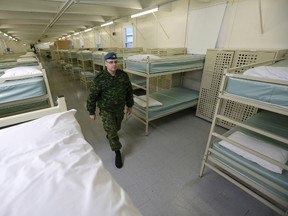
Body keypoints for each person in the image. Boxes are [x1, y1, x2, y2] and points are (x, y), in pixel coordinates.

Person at [86, 52, 134, 168]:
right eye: (111, 62)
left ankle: (111, 134)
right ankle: (117, 152)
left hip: (119, 108)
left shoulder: (123, 76)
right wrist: (91, 111)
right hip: (106, 110)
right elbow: (92, 96)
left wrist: (130, 105)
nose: (114, 64)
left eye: (115, 62)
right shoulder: (100, 79)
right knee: (112, 131)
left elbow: (129, 91)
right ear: (105, 64)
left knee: (117, 127)